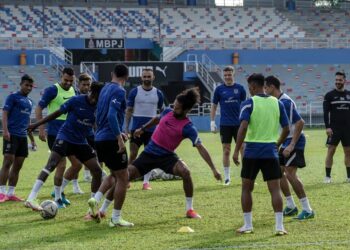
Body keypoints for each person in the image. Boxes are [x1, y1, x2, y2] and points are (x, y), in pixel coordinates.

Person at [124, 88, 221, 222]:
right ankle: (103, 208)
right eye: (174, 106)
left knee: (186, 172)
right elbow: (156, 119)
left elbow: (201, 147)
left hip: (167, 157)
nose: (173, 110)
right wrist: (142, 128)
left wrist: (214, 169)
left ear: (186, 110)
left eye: (177, 109)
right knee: (124, 176)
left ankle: (190, 209)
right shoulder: (167, 111)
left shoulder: (189, 127)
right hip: (149, 154)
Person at [24, 82, 104, 211]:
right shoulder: (76, 100)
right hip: (65, 137)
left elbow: (97, 126)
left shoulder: (99, 107)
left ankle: (92, 209)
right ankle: (31, 198)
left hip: (81, 142)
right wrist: (37, 124)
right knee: (51, 164)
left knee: (97, 171)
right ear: (94, 93)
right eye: (102, 94)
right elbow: (56, 113)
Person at [232, 73, 289, 235]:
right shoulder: (277, 103)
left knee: (246, 189)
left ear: (253, 86)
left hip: (251, 152)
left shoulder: (249, 102)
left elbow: (243, 127)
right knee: (275, 190)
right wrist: (276, 144)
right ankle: (279, 227)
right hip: (270, 152)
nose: (249, 90)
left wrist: (236, 150)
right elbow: (286, 129)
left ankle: (248, 225)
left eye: (249, 87)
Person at [87, 64, 132, 226]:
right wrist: (119, 137)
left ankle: (95, 199)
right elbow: (112, 115)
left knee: (113, 174)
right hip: (111, 139)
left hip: (100, 138)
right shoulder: (119, 91)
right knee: (123, 178)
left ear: (112, 74)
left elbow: (100, 115)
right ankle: (116, 218)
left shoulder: (105, 88)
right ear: (126, 77)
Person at [265, 76, 314, 220]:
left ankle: (307, 209)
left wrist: (292, 144)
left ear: (272, 87)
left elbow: (300, 122)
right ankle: (291, 206)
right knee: (278, 172)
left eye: (266, 87)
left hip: (294, 141)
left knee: (290, 173)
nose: (265, 90)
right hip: (284, 141)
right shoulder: (278, 101)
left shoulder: (285, 102)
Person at [35, 67, 76, 206]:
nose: (68, 83)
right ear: (61, 77)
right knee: (61, 164)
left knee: (77, 164)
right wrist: (41, 128)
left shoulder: (73, 90)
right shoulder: (52, 90)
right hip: (55, 133)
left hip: (70, 133)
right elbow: (39, 108)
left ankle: (59, 191)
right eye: (66, 80)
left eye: (71, 81)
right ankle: (58, 199)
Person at [125, 68, 164, 190]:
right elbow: (129, 111)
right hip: (136, 129)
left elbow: (163, 112)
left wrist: (163, 127)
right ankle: (126, 179)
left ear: (153, 78)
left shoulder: (158, 93)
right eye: (145, 76)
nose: (147, 79)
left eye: (149, 76)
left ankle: (146, 182)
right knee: (132, 154)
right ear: (141, 78)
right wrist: (126, 128)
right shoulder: (134, 92)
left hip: (152, 130)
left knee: (149, 156)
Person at [0, 75, 34, 203]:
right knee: (7, 162)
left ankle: (11, 193)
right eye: (26, 85)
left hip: (22, 137)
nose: (29, 88)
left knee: (18, 165)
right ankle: (1, 193)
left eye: (31, 86)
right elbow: (5, 113)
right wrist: (5, 130)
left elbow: (27, 121)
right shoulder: (12, 97)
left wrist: (32, 138)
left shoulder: (30, 101)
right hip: (12, 134)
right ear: (21, 84)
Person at [210, 66, 246, 185]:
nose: (227, 77)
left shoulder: (240, 89)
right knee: (226, 150)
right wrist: (212, 122)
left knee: (243, 149)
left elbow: (245, 106)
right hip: (225, 124)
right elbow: (214, 106)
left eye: (229, 75)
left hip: (239, 124)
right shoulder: (219, 90)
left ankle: (246, 176)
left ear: (233, 74)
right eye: (225, 75)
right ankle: (227, 178)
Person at [60, 73, 95, 195]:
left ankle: (88, 176)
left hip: (89, 133)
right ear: (78, 85)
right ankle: (75, 185)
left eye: (88, 85)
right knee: (76, 162)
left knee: (93, 156)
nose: (86, 87)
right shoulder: (74, 98)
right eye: (84, 85)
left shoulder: (93, 99)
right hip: (74, 134)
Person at [323, 71, 350, 183]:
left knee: (348, 152)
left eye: (340, 80)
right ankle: (328, 177)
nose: (338, 82)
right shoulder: (329, 95)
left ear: (345, 81)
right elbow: (325, 113)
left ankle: (349, 177)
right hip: (334, 129)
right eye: (336, 80)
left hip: (348, 129)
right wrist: (327, 127)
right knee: (331, 151)